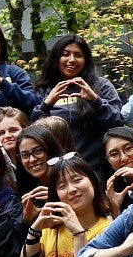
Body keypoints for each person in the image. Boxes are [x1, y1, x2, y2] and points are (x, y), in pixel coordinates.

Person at [30, 34, 123, 172]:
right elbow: (32, 131)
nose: (71, 60)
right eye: (65, 54)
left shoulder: (102, 86)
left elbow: (117, 123)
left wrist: (95, 100)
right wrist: (47, 104)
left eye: (78, 55)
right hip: (55, 171)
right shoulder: (43, 89)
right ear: (56, 58)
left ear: (86, 60)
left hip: (96, 169)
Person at [101, 127, 133, 218]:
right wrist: (115, 207)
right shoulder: (110, 192)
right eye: (114, 154)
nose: (123, 158)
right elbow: (119, 232)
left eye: (128, 148)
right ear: (107, 161)